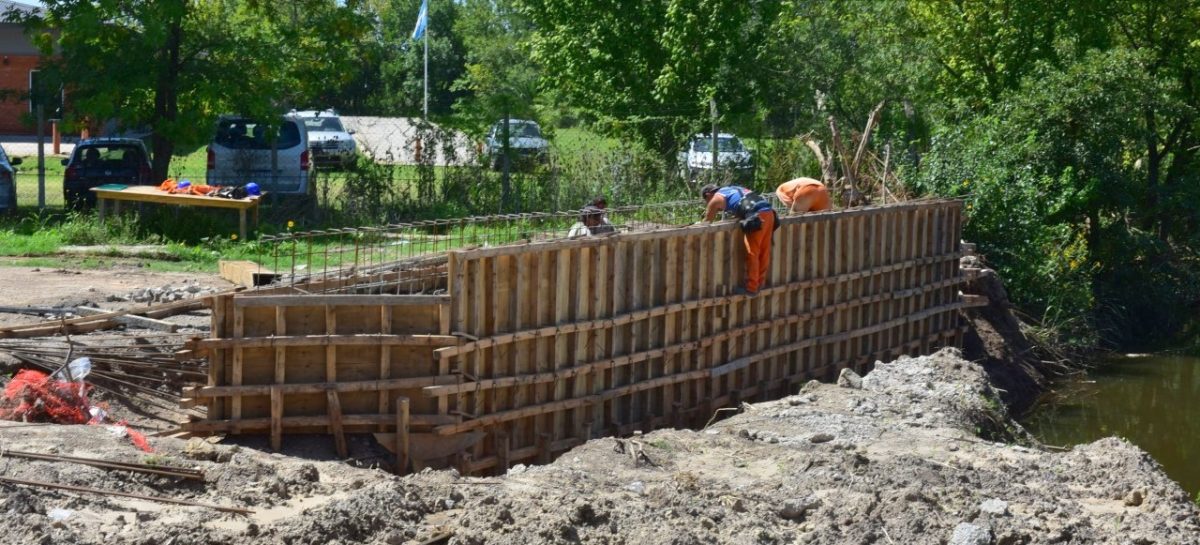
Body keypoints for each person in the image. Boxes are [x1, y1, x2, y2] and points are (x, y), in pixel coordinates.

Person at [701, 184, 776, 295]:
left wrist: (700, 223)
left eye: (707, 201)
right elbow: (742, 202)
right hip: (769, 212)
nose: (708, 203)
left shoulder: (716, 198)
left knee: (752, 252)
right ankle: (759, 283)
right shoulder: (732, 189)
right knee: (764, 250)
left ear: (708, 195)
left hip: (756, 216)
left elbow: (707, 221)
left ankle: (752, 288)